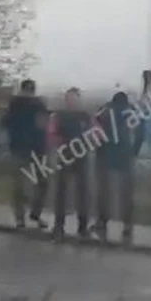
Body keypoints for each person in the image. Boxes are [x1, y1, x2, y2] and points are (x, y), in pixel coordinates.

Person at [92, 91, 146, 245]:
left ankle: (102, 222)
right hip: (125, 157)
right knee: (126, 193)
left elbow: (94, 130)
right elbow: (141, 134)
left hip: (106, 157)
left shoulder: (104, 111)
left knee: (104, 192)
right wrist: (134, 151)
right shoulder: (133, 112)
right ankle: (127, 225)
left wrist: (99, 149)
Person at [1, 79, 50, 229]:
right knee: (32, 184)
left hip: (25, 148)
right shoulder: (32, 104)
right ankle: (29, 215)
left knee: (23, 184)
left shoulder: (16, 104)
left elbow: (4, 123)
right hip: (31, 148)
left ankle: (23, 216)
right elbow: (44, 124)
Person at [48, 87, 91, 241]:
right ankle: (59, 227)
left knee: (83, 195)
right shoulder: (59, 116)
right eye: (69, 98)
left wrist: (87, 144)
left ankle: (83, 227)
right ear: (66, 100)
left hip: (81, 158)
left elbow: (94, 134)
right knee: (61, 194)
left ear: (79, 100)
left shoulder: (85, 117)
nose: (71, 101)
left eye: (74, 99)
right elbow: (52, 134)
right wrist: (61, 144)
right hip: (65, 157)